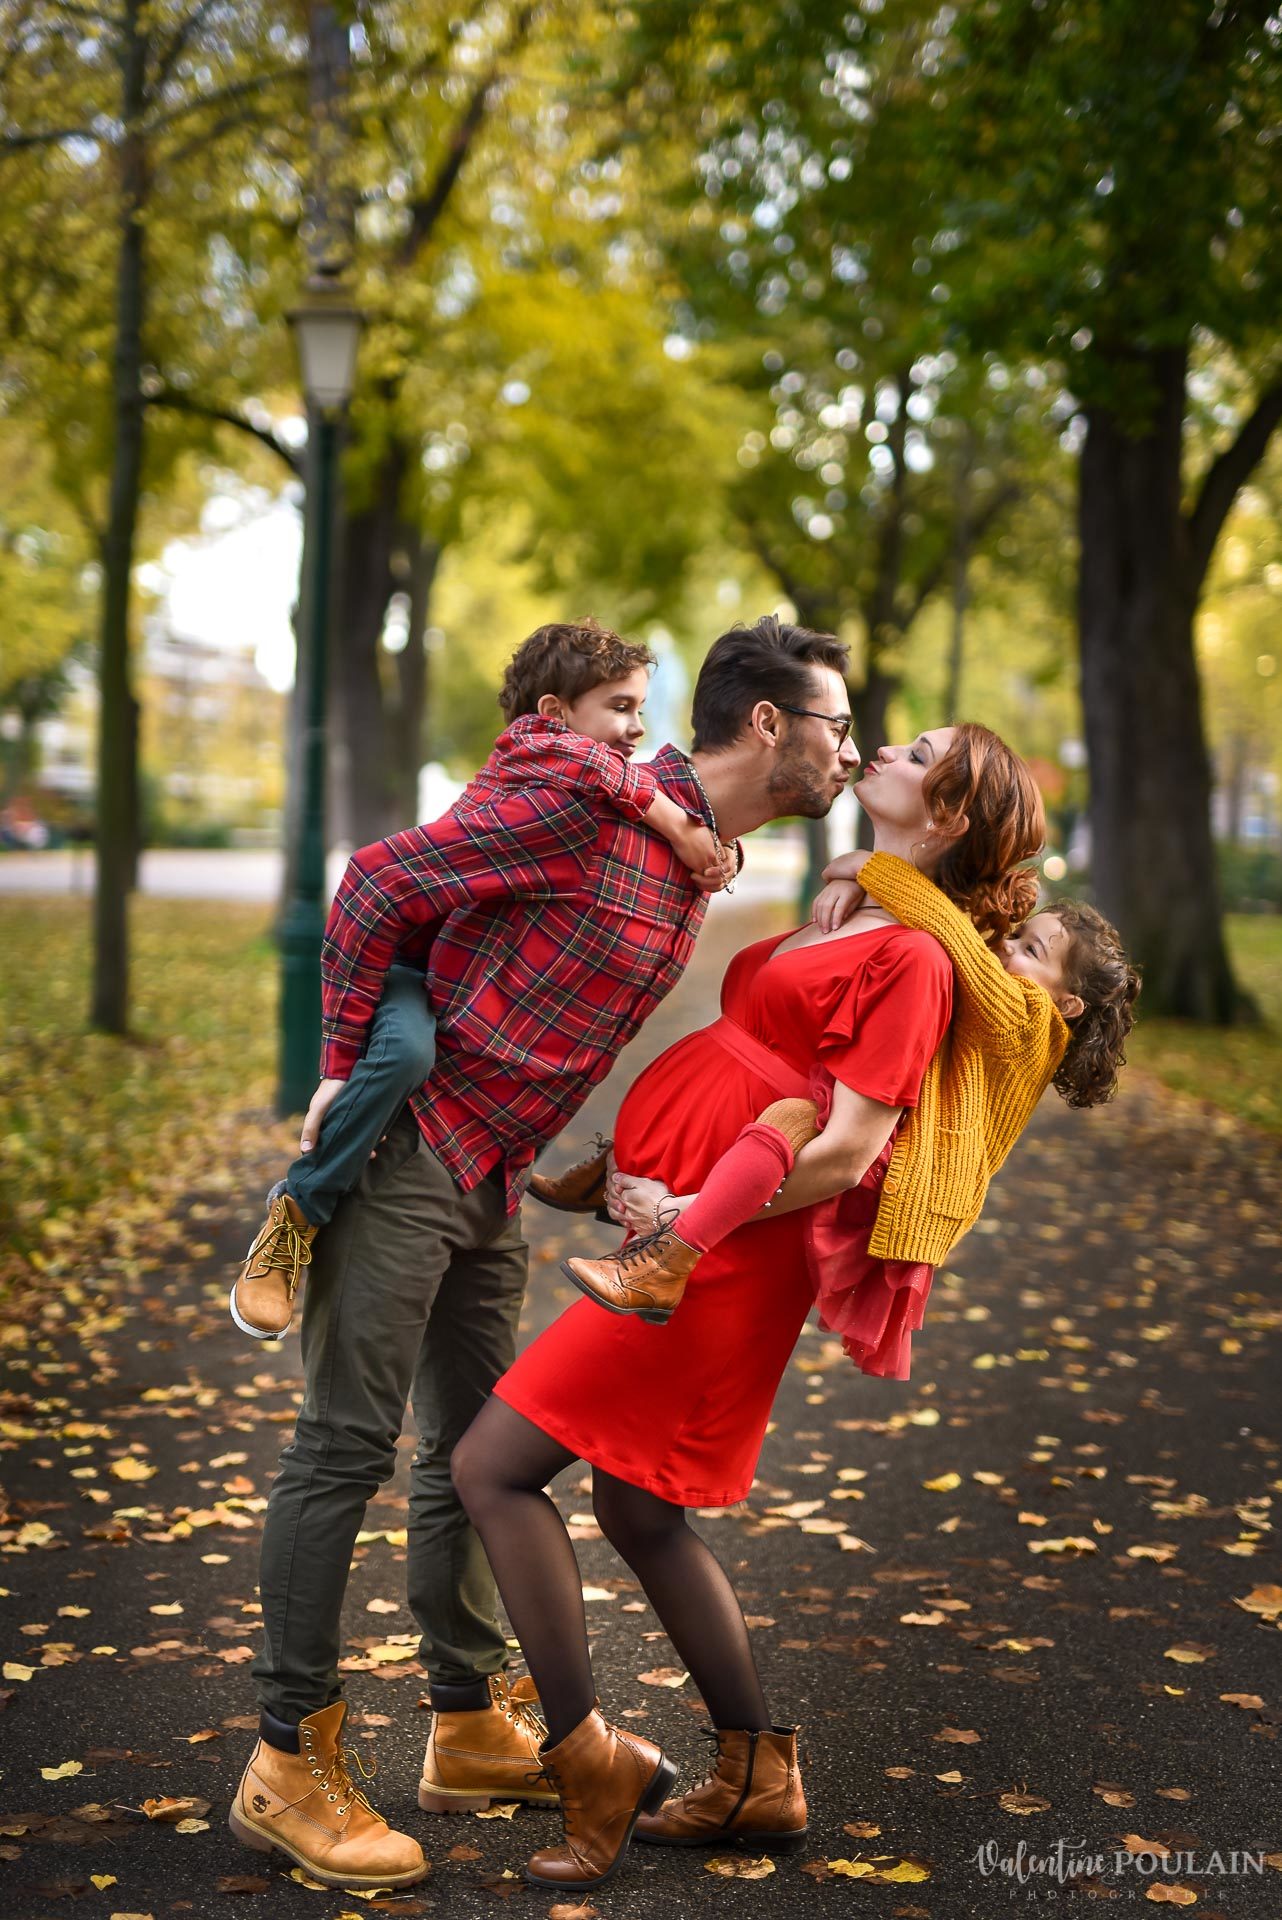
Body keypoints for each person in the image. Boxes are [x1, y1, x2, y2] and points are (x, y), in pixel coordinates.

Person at [231, 614, 858, 1891]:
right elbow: (378, 885)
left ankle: (464, 1726)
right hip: (411, 1149)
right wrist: (347, 1069)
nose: (854, 749)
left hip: (494, 1181)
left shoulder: (698, 849)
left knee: (470, 1463)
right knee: (344, 1445)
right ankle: (284, 1761)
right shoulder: (587, 801)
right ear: (768, 726)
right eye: (839, 726)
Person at [450, 721, 1048, 1893]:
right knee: (637, 1512)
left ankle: (590, 1761)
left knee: (493, 1470)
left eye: (917, 751)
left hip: (719, 1262)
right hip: (687, 1232)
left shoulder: (918, 963)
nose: (883, 745)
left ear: (952, 813)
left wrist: (686, 1224)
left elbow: (843, 1150)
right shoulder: (865, 915)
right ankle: (756, 1773)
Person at [229, 619, 727, 1342]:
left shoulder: (577, 770)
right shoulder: (544, 767)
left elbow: (612, 772)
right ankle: (296, 1213)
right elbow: (375, 876)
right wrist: (338, 1064)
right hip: (403, 971)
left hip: (443, 1002)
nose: (634, 731)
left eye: (640, 711)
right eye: (619, 707)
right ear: (556, 714)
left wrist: (691, 832)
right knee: (403, 1054)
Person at [558, 842, 1139, 1336]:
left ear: (1069, 1004)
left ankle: (671, 1252)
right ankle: (617, 1167)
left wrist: (870, 868)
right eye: (1018, 936)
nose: (1007, 948)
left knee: (789, 1117)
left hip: (907, 1166)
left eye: (1031, 950)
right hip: (900, 1138)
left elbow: (955, 940)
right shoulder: (1010, 996)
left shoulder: (1032, 1021)